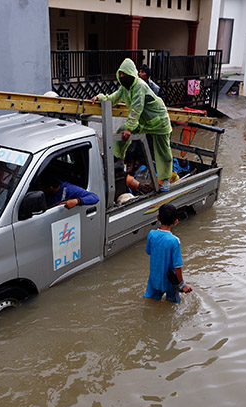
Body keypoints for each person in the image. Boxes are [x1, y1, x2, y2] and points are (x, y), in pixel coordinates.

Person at [91, 58, 174, 191]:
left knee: (163, 152)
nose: (122, 77)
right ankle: (118, 160)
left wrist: (129, 128)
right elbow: (113, 98)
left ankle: (165, 179)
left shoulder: (139, 86)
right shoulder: (124, 88)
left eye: (125, 74)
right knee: (120, 132)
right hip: (142, 122)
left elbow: (136, 108)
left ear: (131, 74)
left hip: (158, 120)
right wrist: (100, 98)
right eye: (120, 75)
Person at [143, 203, 192, 303]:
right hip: (169, 281)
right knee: (172, 304)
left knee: (150, 301)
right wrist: (182, 285)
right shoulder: (174, 241)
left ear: (158, 217)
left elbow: (148, 251)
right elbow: (177, 266)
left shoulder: (151, 234)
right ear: (175, 221)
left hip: (154, 279)